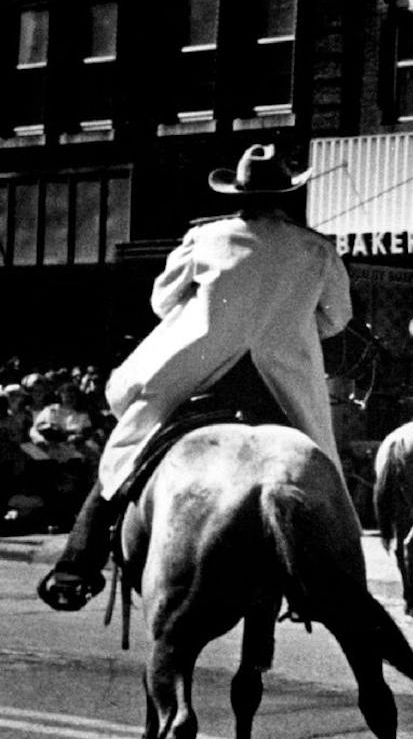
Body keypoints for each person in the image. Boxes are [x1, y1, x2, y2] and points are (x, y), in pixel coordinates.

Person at [36, 143, 352, 611]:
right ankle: (332, 578)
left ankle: (77, 563)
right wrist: (291, 327)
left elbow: (162, 301)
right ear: (286, 194)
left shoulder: (205, 238)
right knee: (323, 467)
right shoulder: (318, 249)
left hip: (200, 375)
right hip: (282, 387)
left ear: (237, 193)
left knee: (128, 451)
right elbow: (337, 318)